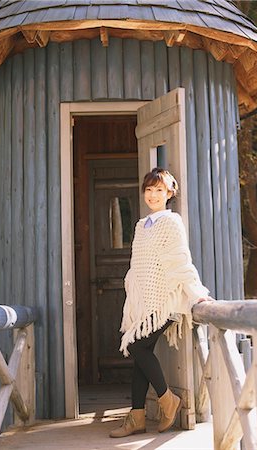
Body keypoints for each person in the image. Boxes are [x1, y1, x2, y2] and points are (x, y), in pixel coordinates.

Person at [110, 167, 213, 438]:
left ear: (169, 193)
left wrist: (196, 292)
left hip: (166, 301)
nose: (153, 195)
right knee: (139, 356)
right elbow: (137, 267)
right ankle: (137, 417)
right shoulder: (141, 225)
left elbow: (180, 260)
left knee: (135, 346)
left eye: (159, 190)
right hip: (145, 302)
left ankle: (168, 400)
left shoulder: (171, 222)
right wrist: (133, 299)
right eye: (149, 189)